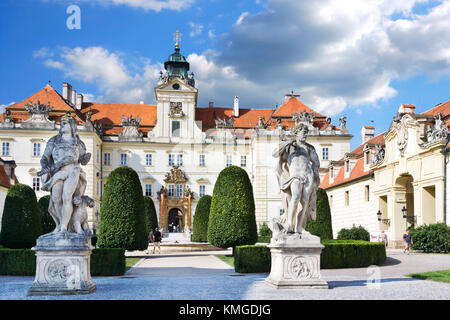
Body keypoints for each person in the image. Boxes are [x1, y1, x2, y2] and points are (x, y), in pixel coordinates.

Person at [272, 124, 321, 234]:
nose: (304, 134)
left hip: (308, 176)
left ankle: (299, 227)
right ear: (296, 133)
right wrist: (285, 143)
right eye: (302, 132)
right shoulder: (290, 147)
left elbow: (316, 162)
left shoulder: (309, 148)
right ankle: (289, 223)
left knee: (305, 202)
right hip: (295, 176)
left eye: (306, 132)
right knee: (295, 197)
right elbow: (274, 153)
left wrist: (313, 172)